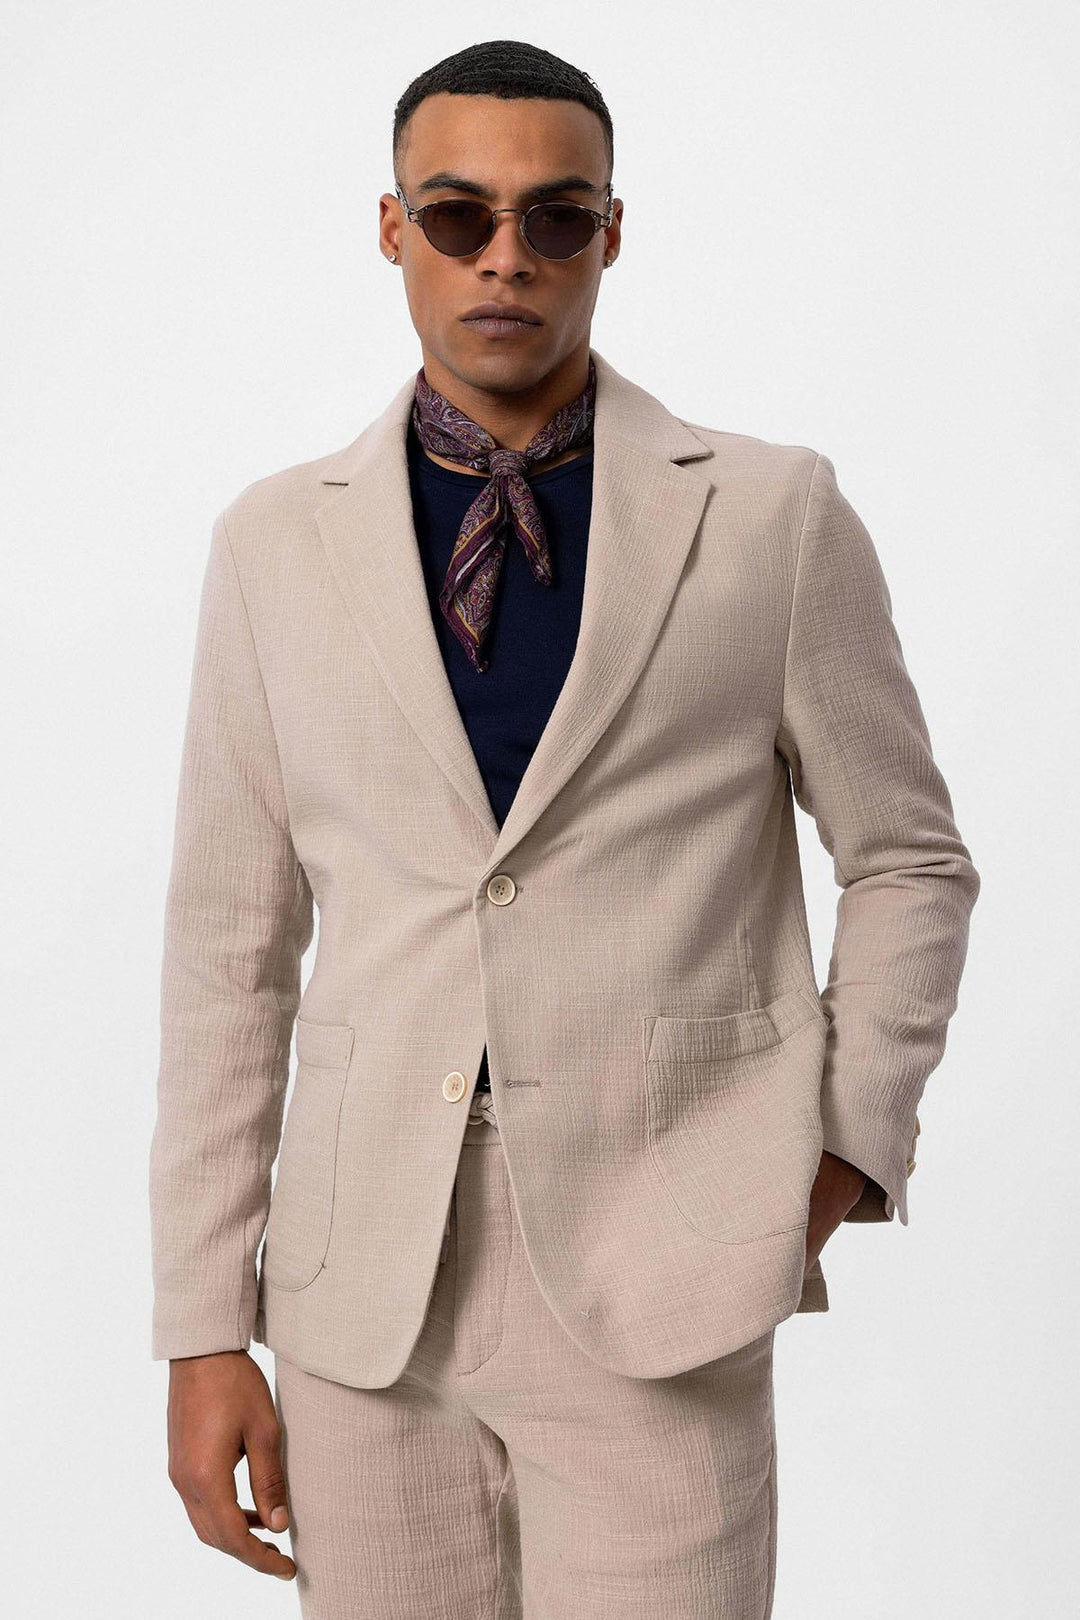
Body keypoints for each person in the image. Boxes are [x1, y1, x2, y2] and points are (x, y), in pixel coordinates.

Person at [148, 37, 980, 1618]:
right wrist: (201, 1324)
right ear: (393, 228)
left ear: (612, 232)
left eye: (555, 216)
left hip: (668, 1261)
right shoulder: (272, 545)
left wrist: (837, 1149)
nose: (505, 258)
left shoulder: (770, 516)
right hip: (359, 1294)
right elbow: (226, 948)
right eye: (459, 216)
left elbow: (908, 859)